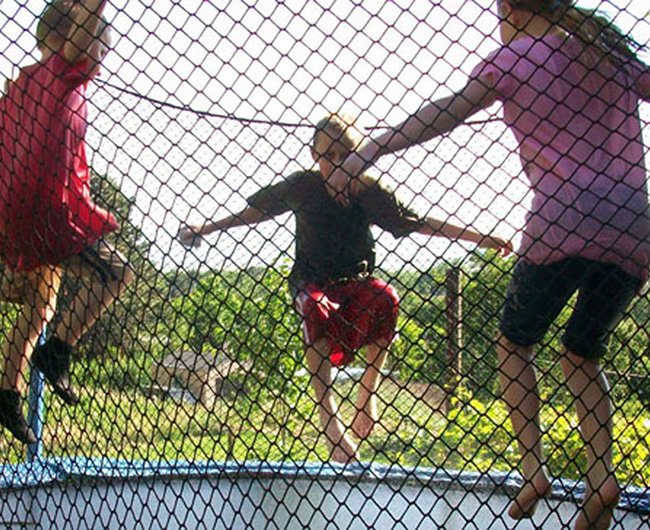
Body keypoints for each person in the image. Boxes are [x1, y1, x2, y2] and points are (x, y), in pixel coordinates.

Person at [328, 1, 650, 528]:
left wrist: (371, 151)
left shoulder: (511, 58)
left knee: (513, 344)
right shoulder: (607, 48)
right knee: (581, 353)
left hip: (562, 221)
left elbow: (441, 115)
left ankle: (533, 471)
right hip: (634, 226)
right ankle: (603, 477)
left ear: (509, 9)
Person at [179, 114, 511, 464]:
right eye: (329, 156)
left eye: (346, 155)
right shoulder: (303, 187)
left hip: (357, 283)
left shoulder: (368, 192)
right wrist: (207, 227)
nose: (338, 165)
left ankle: (366, 393)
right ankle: (330, 421)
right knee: (315, 308)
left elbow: (417, 222)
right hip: (312, 283)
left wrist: (479, 237)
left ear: (361, 155)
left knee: (387, 298)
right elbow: (255, 212)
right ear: (314, 156)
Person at [0, 0, 134, 445]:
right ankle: (57, 352)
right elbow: (86, 25)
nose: (100, 61)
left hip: (13, 218)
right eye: (99, 49)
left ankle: (6, 392)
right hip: (50, 214)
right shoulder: (59, 72)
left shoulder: (17, 87)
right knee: (116, 274)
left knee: (40, 303)